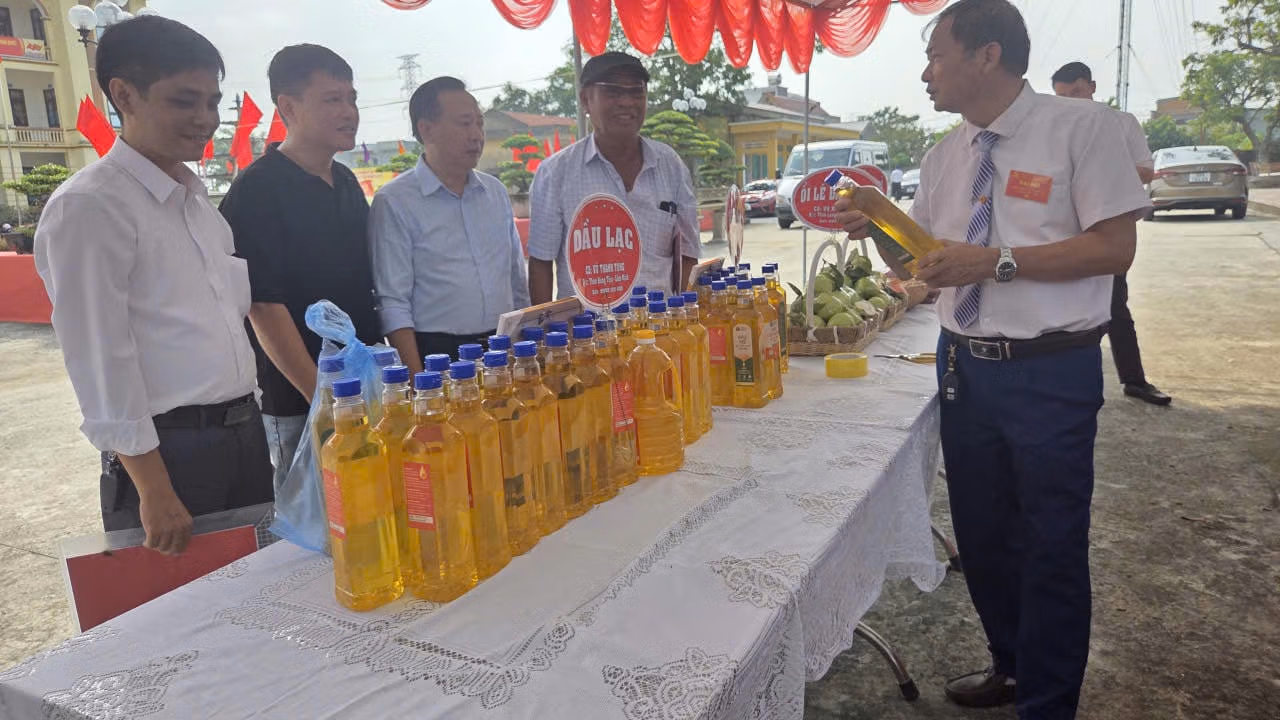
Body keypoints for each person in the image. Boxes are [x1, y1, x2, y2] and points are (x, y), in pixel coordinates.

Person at [835, 1, 1149, 717]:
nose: (925, 73)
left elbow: (1115, 248)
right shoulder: (943, 156)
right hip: (963, 367)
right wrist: (879, 228)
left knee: (1051, 542)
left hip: (1051, 369)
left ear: (987, 55)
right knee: (982, 535)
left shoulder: (1083, 129)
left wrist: (996, 261)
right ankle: (1011, 664)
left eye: (936, 56)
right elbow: (923, 266)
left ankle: (1048, 702)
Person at [34, 16, 272, 555]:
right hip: (169, 454)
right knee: (183, 602)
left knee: (256, 588)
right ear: (124, 95)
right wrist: (153, 487)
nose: (205, 119)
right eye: (185, 101)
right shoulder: (91, 206)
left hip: (242, 435)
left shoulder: (197, 204)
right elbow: (100, 357)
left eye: (212, 102)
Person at [219, 45, 382, 493]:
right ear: (288, 107)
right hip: (301, 401)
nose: (349, 112)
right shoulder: (257, 191)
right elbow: (263, 306)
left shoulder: (346, 182)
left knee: (369, 508)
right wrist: (322, 400)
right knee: (313, 519)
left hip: (362, 386)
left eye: (352, 99)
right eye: (332, 99)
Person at [369, 77, 529, 371]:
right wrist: (417, 380)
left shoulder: (494, 192)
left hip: (503, 347)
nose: (476, 135)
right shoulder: (395, 200)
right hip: (437, 354)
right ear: (426, 129)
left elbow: (516, 280)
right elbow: (393, 302)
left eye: (479, 124)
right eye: (464, 123)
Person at [527, 52, 701, 304]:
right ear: (586, 100)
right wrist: (543, 324)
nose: (627, 102)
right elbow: (541, 263)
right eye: (613, 91)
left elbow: (688, 254)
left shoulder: (670, 165)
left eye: (636, 92)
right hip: (587, 327)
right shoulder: (556, 173)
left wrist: (685, 314)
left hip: (660, 323)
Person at [1051, 60, 1171, 406]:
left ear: (1091, 86)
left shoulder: (1121, 122)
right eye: (1064, 96)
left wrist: (1099, 166)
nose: (1072, 101)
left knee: (1114, 304)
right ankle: (1065, 385)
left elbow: (1145, 171)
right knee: (1063, 307)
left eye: (1077, 92)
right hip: (1063, 230)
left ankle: (1133, 380)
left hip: (1108, 228)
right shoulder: (1054, 126)